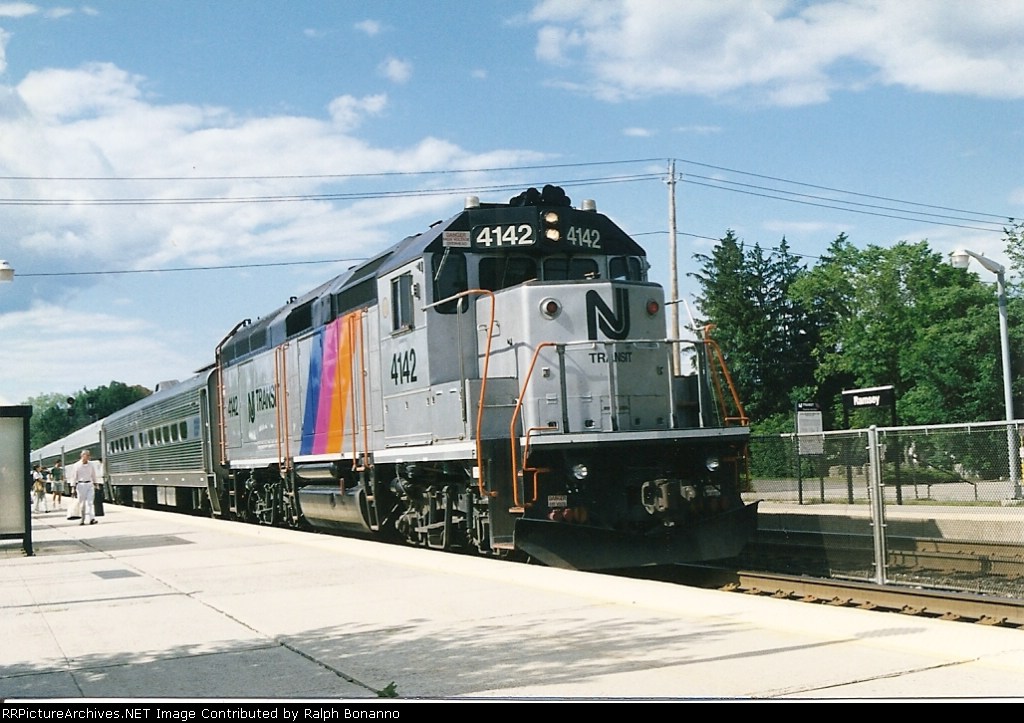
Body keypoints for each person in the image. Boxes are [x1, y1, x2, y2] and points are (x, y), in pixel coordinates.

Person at [70, 450, 99, 525]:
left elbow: (93, 474)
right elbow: (73, 477)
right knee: (82, 503)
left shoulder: (91, 464)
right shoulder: (76, 465)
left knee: (90, 503)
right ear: (82, 456)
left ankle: (91, 519)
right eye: (87, 455)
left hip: (89, 484)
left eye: (89, 455)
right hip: (80, 485)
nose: (89, 457)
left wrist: (96, 484)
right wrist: (73, 488)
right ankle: (82, 519)